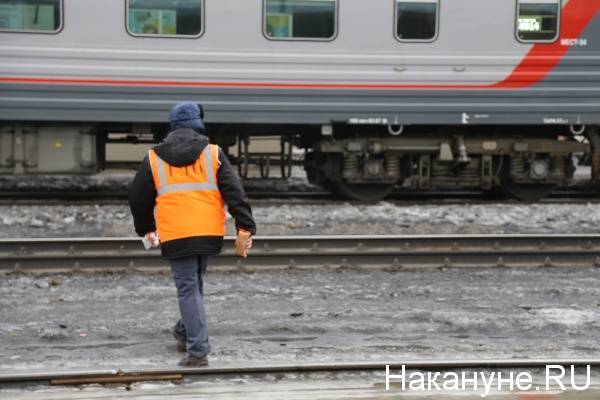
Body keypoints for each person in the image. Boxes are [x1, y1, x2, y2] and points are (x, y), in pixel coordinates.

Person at [128, 102, 256, 367]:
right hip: (208, 232)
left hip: (176, 234)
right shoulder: (213, 153)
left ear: (172, 125)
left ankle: (198, 352)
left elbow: (137, 198)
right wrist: (245, 227)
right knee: (193, 286)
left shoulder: (154, 157)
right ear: (198, 123)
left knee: (188, 289)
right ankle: (185, 331)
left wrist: (146, 229)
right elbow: (235, 193)